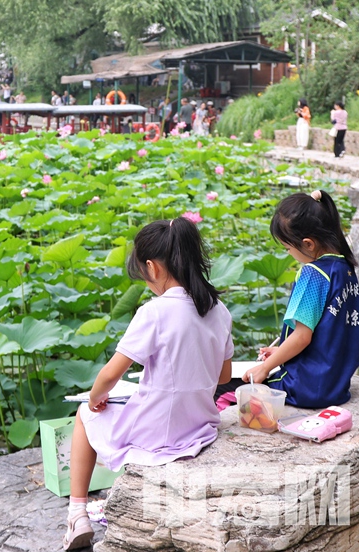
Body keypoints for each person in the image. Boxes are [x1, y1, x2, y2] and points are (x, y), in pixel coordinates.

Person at [63, 217, 233, 550]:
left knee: (85, 416)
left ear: (152, 268)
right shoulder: (219, 309)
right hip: (199, 425)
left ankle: (77, 513)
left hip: (160, 434)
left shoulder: (154, 312)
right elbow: (224, 378)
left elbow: (111, 374)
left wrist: (97, 397)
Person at [242, 191, 359, 408]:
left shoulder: (314, 274)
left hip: (306, 386)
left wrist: (265, 367)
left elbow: (303, 337)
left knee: (231, 391)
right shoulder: (345, 268)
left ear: (308, 244)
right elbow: (328, 335)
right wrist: (281, 351)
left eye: (288, 248)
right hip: (336, 385)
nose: (289, 253)